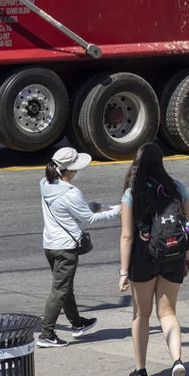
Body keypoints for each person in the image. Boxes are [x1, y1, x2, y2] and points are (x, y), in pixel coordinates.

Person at [118, 143, 189, 376]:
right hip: (173, 255)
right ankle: (177, 360)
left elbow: (127, 236)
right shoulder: (177, 189)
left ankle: (141, 370)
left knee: (141, 314)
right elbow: (187, 226)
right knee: (168, 313)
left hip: (143, 257)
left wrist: (124, 272)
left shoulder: (132, 192)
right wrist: (186, 256)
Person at [37, 146, 119, 347]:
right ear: (70, 171)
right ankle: (47, 333)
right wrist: (116, 210)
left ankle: (77, 323)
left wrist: (92, 204)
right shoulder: (71, 193)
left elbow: (73, 209)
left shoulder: (45, 184)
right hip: (66, 248)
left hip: (50, 244)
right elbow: (88, 218)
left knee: (65, 287)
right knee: (60, 289)